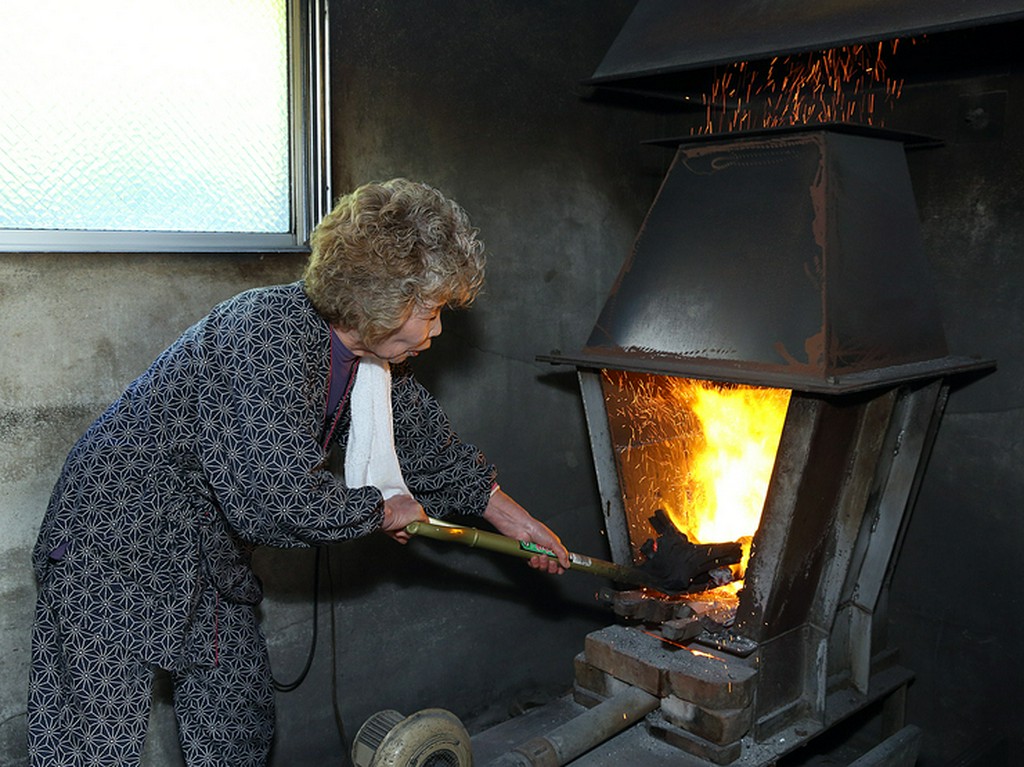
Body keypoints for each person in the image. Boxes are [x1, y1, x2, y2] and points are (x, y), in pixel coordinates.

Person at [28, 178, 570, 767]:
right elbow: (276, 495)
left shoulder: (373, 362)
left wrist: (519, 523)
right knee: (93, 737)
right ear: (379, 301)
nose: (437, 331)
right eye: (431, 311)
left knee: (235, 718)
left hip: (205, 544)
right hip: (111, 532)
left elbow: (432, 451)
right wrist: (383, 508)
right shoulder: (269, 334)